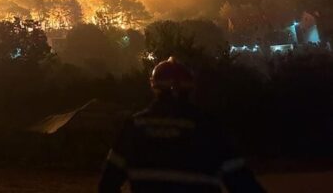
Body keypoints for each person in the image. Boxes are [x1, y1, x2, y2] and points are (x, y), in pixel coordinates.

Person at [99, 57, 265, 193]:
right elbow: (243, 184)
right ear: (190, 88)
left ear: (154, 87)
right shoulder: (207, 128)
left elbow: (107, 183)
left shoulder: (135, 127)